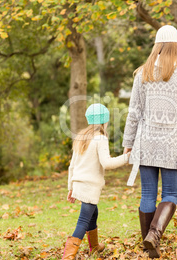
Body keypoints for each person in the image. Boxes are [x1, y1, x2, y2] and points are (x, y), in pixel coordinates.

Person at [122, 25, 177, 258]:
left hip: (146, 141)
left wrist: (128, 141)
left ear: (156, 45)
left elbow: (133, 112)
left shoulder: (143, 74)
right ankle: (153, 236)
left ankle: (149, 244)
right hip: (171, 143)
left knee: (148, 194)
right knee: (170, 194)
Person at [62, 104, 130, 260]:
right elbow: (106, 163)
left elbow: (72, 165)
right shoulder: (100, 138)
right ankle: (68, 256)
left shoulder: (81, 137)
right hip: (89, 186)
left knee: (93, 213)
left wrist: (70, 187)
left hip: (79, 184)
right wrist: (127, 158)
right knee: (83, 221)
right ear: (104, 121)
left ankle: (94, 247)